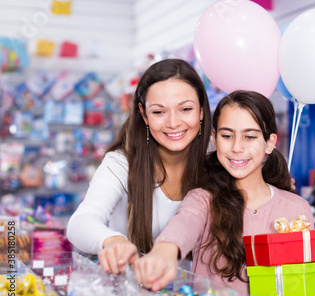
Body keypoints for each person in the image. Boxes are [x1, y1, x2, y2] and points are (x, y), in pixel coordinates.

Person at [133, 90, 315, 296]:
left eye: (250, 137)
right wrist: (166, 250)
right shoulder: (202, 199)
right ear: (215, 139)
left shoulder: (296, 208)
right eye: (227, 136)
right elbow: (186, 222)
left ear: (269, 143)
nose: (237, 147)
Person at [66, 58, 212, 274]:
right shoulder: (121, 162)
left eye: (185, 109)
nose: (173, 123)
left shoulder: (216, 161)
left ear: (201, 111)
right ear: (144, 114)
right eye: (159, 112)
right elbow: (80, 223)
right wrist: (112, 240)